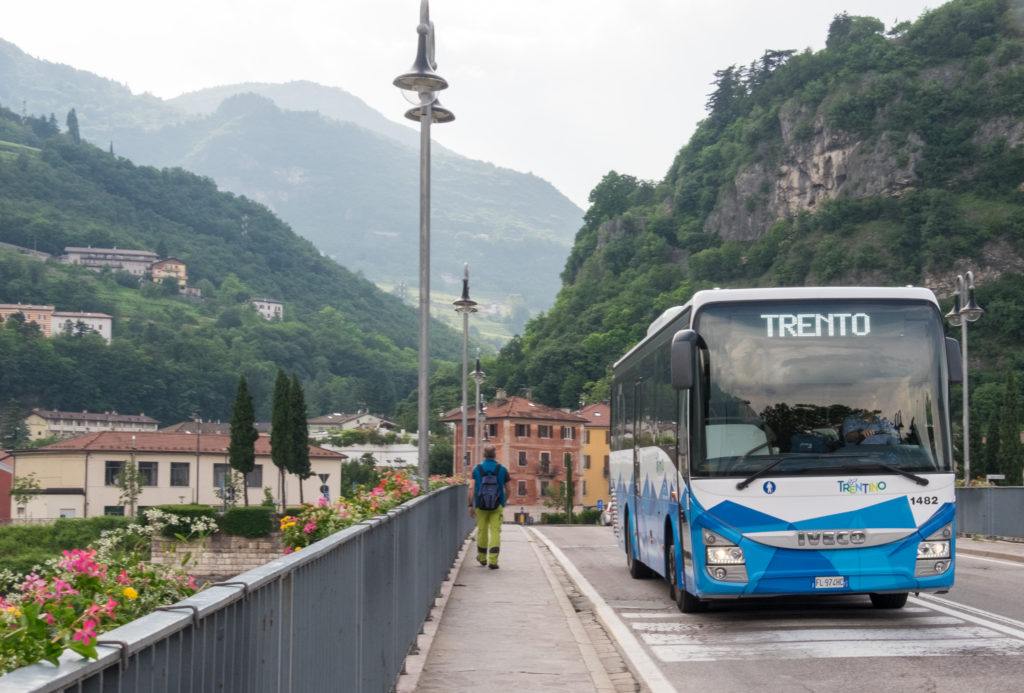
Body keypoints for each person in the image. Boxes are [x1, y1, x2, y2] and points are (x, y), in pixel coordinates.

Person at [469, 446, 511, 569]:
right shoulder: (502, 469)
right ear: (495, 455)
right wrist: (503, 501)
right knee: (495, 532)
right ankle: (493, 560)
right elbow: (509, 489)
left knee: (482, 531)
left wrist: (470, 505)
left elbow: (471, 489)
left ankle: (482, 558)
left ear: (484, 454)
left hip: (480, 506)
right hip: (497, 506)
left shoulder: (477, 469)